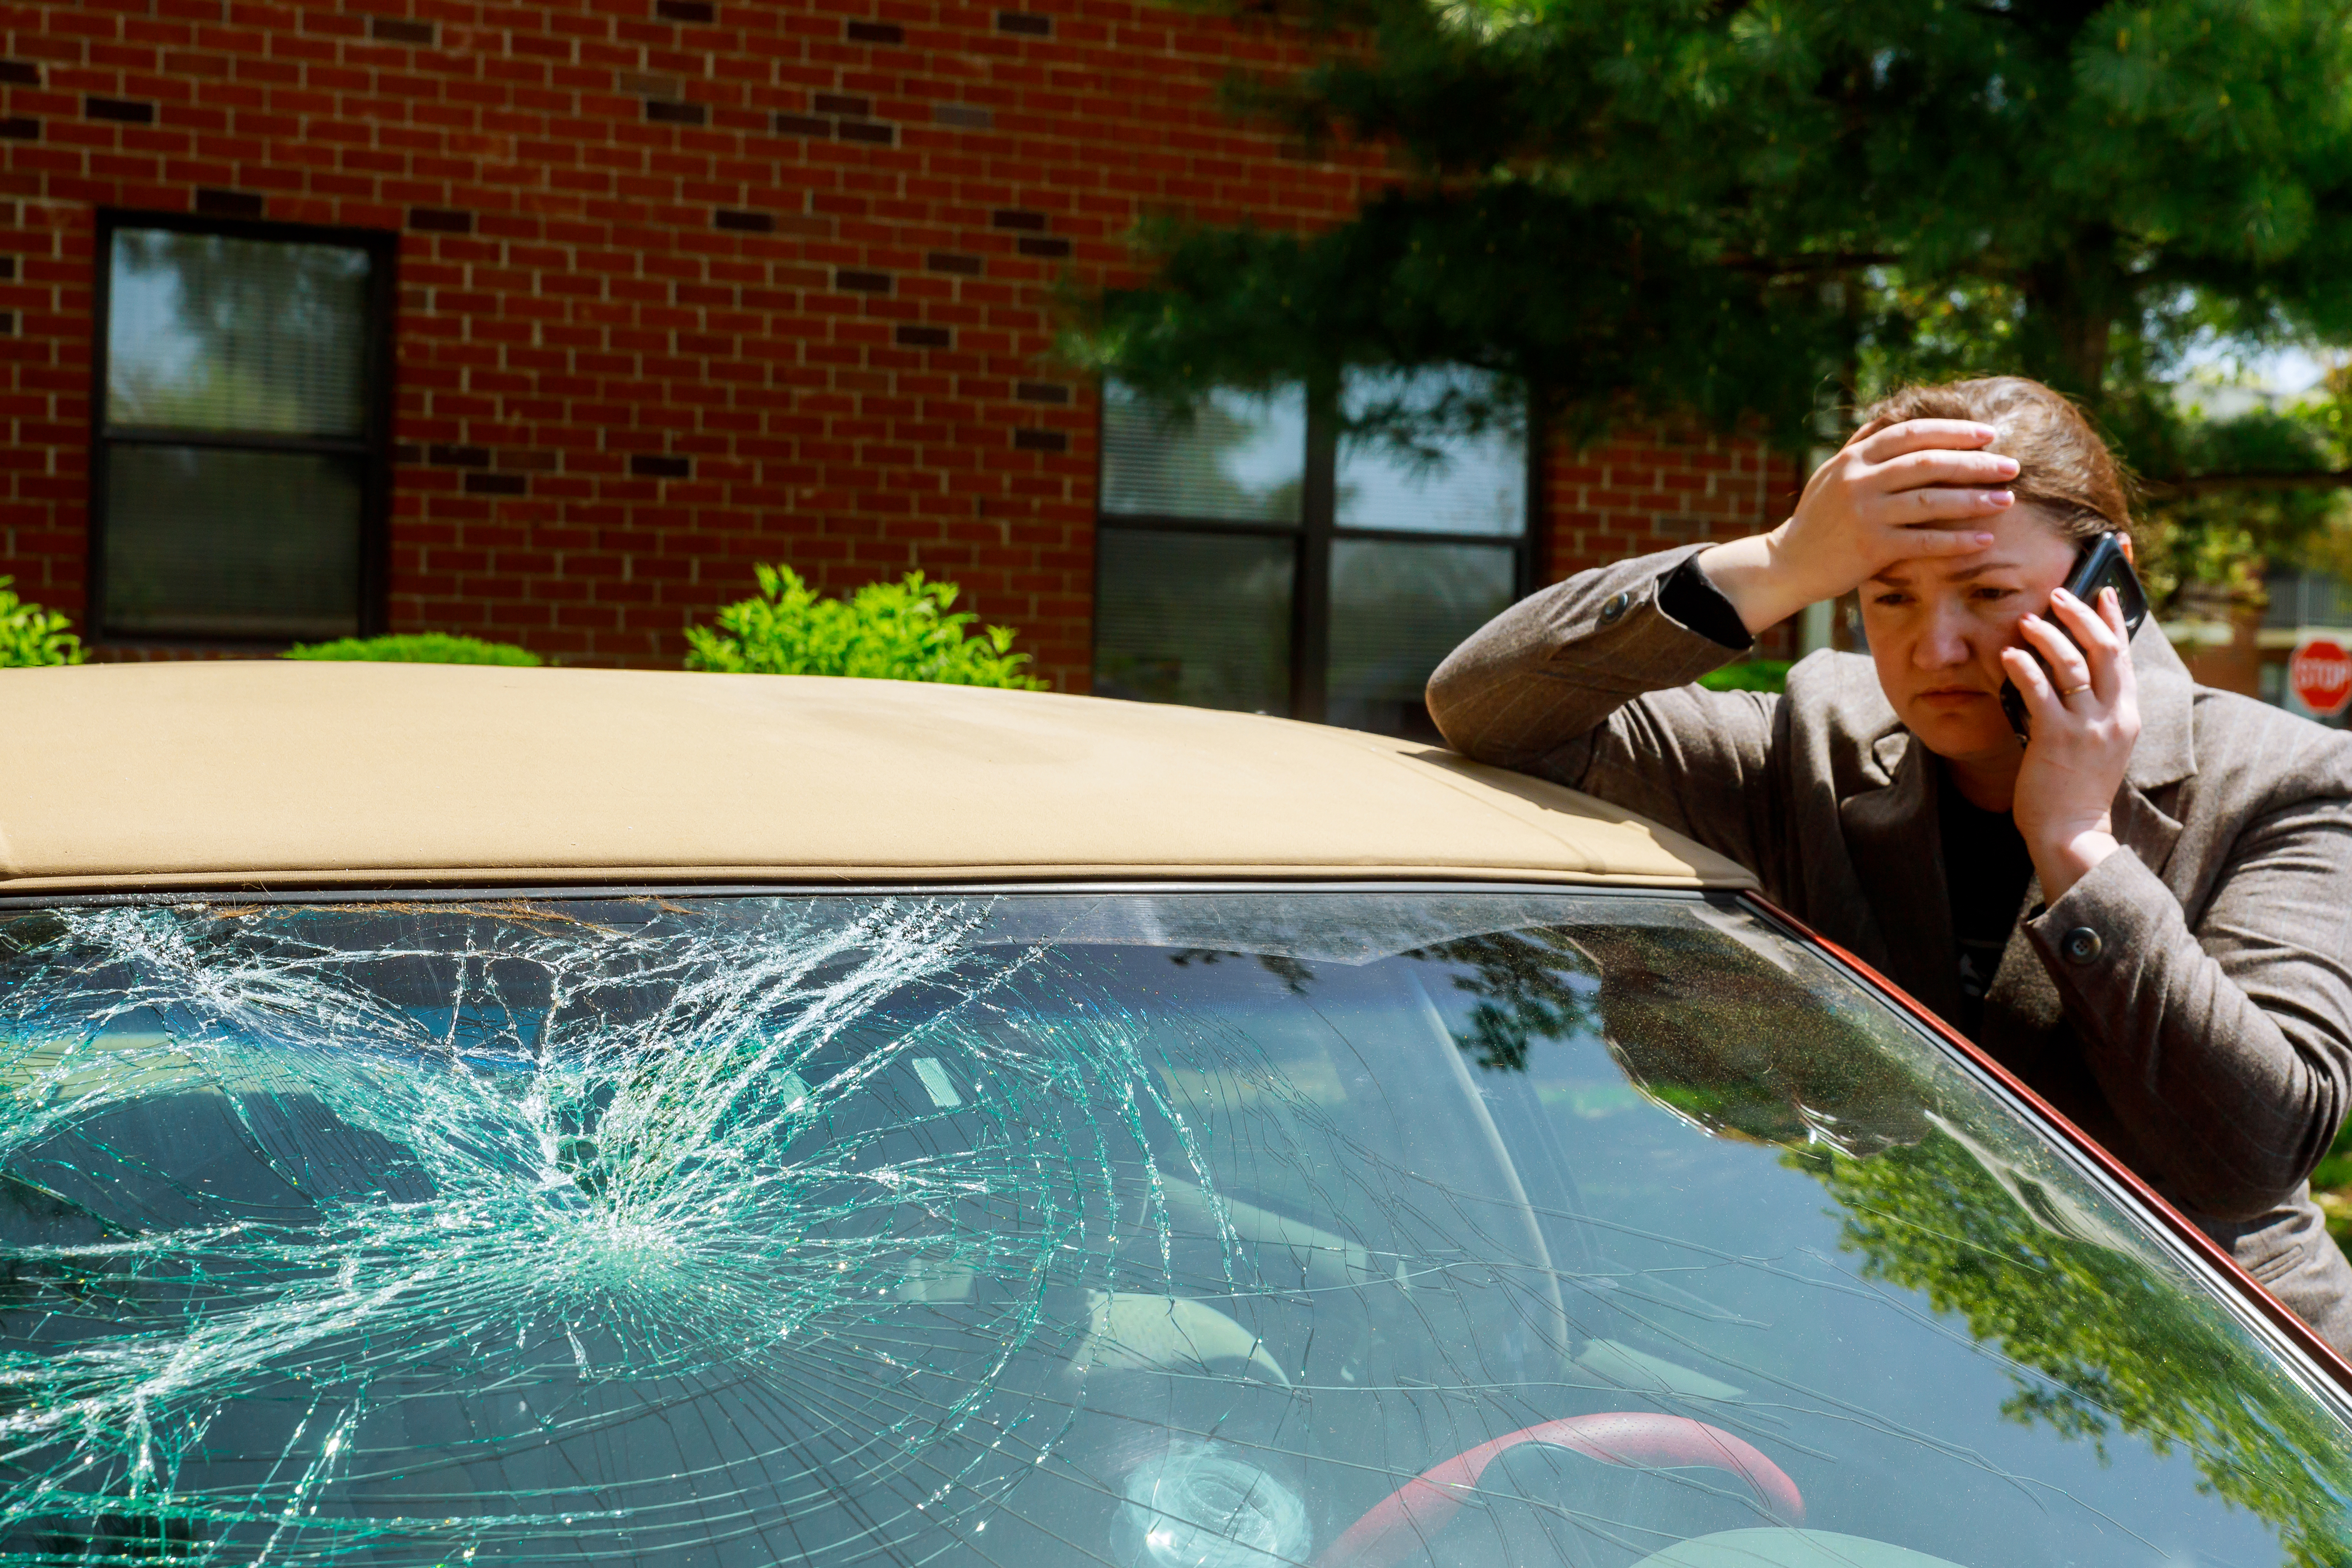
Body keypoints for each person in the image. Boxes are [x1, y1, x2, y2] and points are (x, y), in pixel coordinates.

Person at [1426, 376, 2352, 1350]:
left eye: (1988, 592)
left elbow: (2249, 1154)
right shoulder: (1815, 743)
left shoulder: (2287, 782)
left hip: (2220, 1381)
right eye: (1889, 594)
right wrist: (1776, 563)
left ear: (2106, 586)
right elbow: (1488, 712)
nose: (1933, 645)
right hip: (1907, 1354)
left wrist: (2079, 846)